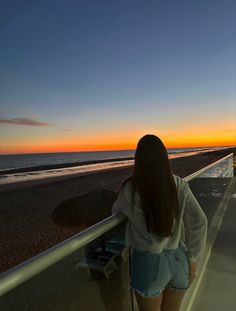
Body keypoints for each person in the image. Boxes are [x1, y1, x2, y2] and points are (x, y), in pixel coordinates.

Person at [112, 134, 208, 311]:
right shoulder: (178, 183)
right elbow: (200, 222)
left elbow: (116, 212)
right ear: (164, 158)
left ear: (139, 159)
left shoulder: (131, 188)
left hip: (149, 263)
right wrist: (193, 257)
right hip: (178, 258)